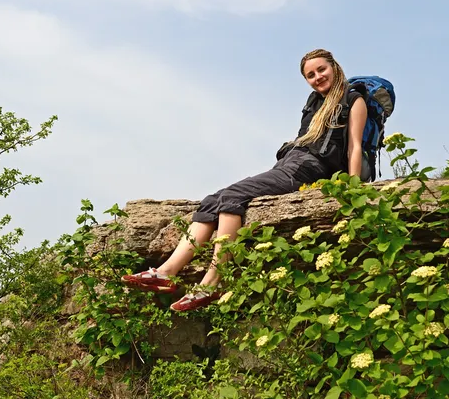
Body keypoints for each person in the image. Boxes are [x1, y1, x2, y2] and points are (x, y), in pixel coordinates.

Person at [121, 49, 369, 311]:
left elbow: (354, 146)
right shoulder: (314, 102)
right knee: (211, 201)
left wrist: (352, 189)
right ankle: (166, 272)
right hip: (289, 163)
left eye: (321, 70)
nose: (317, 77)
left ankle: (212, 283)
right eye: (310, 75)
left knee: (231, 198)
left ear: (334, 67)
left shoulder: (353, 100)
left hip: (308, 169)